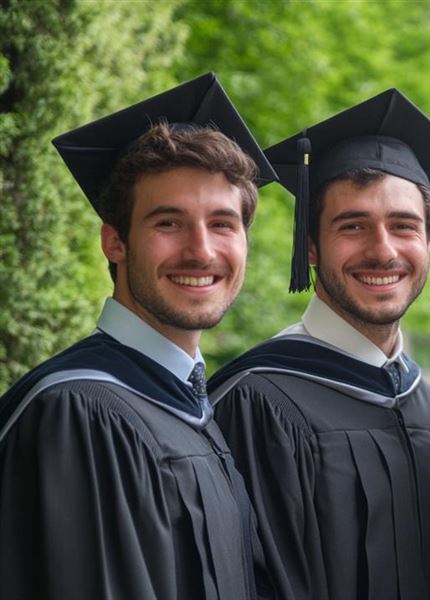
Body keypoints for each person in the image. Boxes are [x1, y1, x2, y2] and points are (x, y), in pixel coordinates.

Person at [0, 73, 277, 599]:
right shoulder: (81, 413)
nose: (202, 251)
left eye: (222, 224)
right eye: (168, 223)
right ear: (115, 242)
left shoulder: (184, 403)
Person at [207, 89, 430, 600]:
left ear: (429, 243)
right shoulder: (256, 402)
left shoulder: (426, 401)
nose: (382, 250)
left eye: (403, 226)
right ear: (310, 246)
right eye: (353, 226)